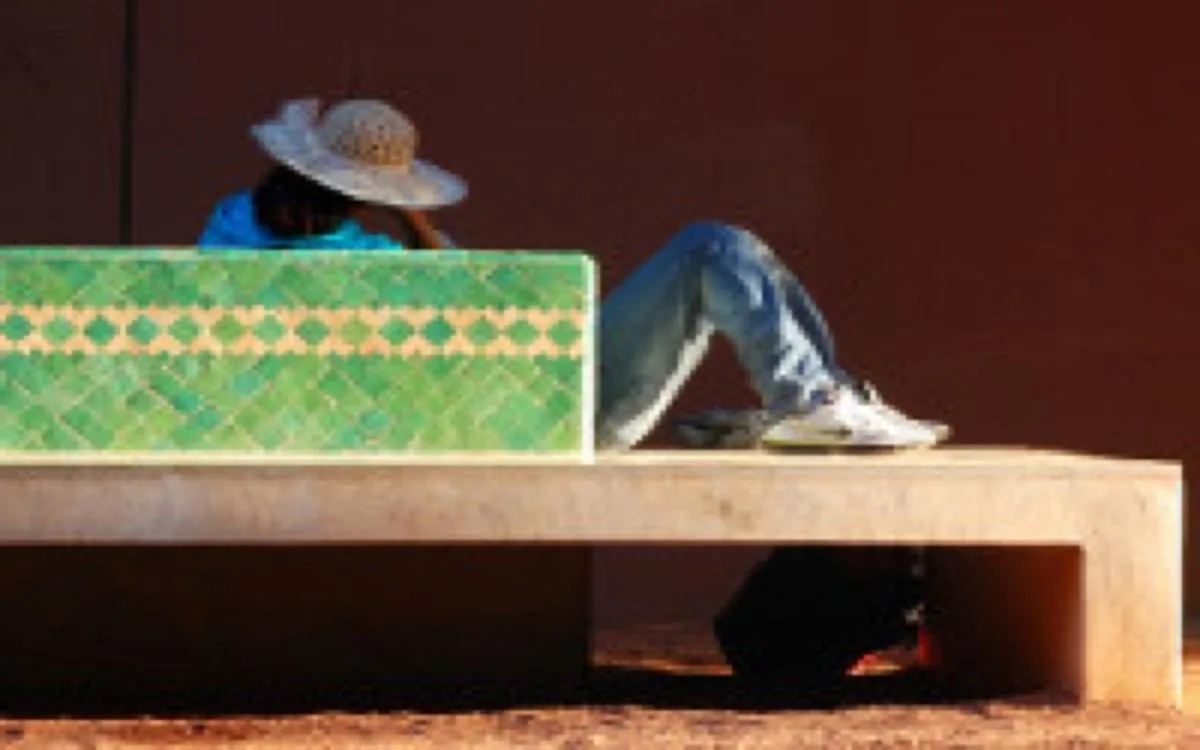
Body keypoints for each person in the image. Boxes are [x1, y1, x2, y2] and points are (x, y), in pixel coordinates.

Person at [199, 98, 948, 450]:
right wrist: (418, 225)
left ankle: (815, 398)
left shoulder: (230, 228)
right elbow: (479, 314)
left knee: (726, 251)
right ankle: (813, 397)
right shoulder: (385, 265)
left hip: (490, 417)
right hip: (541, 420)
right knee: (714, 247)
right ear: (377, 195)